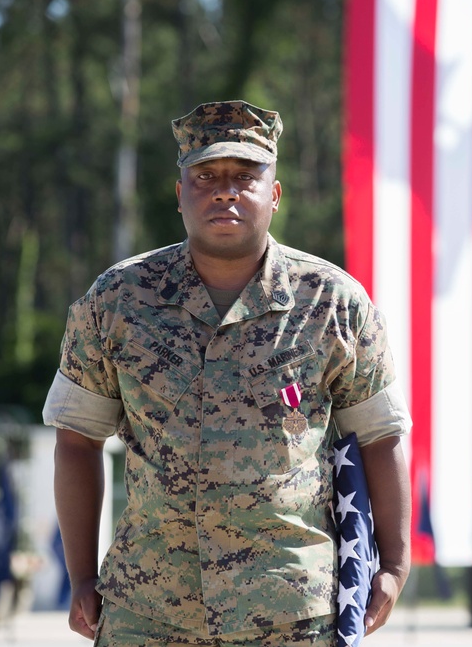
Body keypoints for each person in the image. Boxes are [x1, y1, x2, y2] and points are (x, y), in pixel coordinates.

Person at [43, 100, 412, 646]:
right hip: (150, 612)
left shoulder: (332, 302)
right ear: (180, 195)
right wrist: (79, 575)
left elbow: (380, 438)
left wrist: (395, 564)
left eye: (245, 176)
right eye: (206, 176)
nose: (225, 190)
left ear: (275, 195)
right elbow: (77, 440)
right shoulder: (119, 300)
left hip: (290, 615)